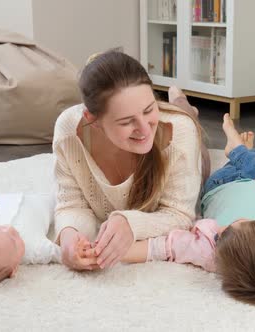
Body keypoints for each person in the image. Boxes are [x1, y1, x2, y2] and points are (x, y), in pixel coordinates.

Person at [119, 114, 255, 306]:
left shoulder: (210, 250)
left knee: (212, 166)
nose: (221, 227)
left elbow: (162, 248)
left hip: (222, 184)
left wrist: (110, 252)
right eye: (240, 222)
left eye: (222, 232)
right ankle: (238, 148)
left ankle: (236, 152)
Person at [53, 51, 208, 271]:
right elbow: (71, 203)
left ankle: (182, 103)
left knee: (191, 125)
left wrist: (131, 224)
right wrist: (69, 237)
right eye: (127, 121)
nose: (144, 129)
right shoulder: (69, 130)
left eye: (148, 109)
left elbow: (180, 214)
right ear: (92, 120)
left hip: (187, 143)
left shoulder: (180, 132)